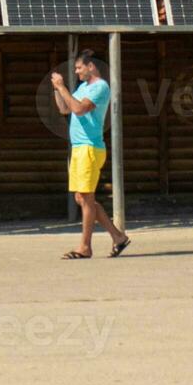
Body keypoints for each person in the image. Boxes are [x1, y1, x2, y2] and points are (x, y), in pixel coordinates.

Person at [50, 51, 131, 259]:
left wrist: (62, 87)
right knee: (81, 198)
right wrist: (58, 90)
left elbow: (78, 109)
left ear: (91, 66)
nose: (76, 72)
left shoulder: (100, 87)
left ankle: (85, 247)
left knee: (86, 198)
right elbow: (64, 109)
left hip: (90, 148)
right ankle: (118, 236)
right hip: (78, 148)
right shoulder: (82, 87)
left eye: (79, 68)